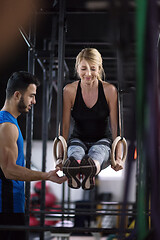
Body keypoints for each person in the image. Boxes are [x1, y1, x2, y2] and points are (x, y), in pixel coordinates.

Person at [0, 71, 67, 239]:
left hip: (10, 207)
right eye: (31, 96)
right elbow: (9, 170)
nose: (34, 101)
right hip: (7, 208)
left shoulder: (8, 122)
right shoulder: (7, 126)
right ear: (17, 95)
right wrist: (46, 176)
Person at [59, 48, 124, 190]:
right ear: (77, 68)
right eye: (83, 68)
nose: (88, 74)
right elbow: (64, 125)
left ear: (99, 68)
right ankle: (75, 170)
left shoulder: (109, 90)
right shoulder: (69, 91)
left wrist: (118, 157)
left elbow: (115, 126)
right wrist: (59, 157)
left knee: (97, 152)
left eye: (93, 69)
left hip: (103, 141)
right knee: (75, 152)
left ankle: (91, 169)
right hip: (78, 139)